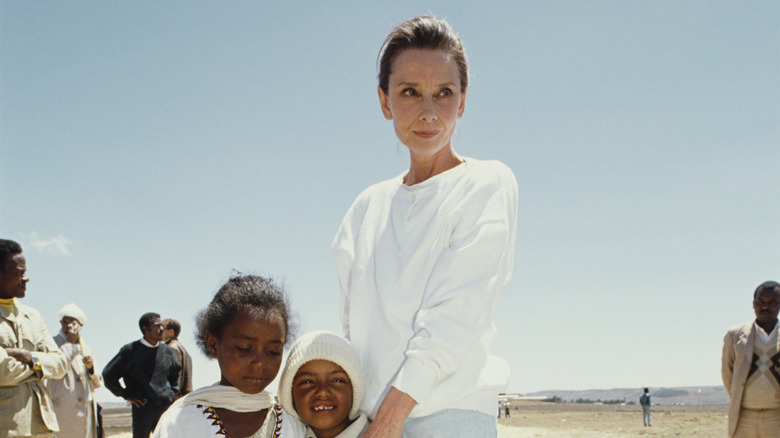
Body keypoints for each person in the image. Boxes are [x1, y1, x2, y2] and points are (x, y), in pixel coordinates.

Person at [331, 16, 518, 437]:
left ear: (463, 101)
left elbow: (456, 317)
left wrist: (391, 417)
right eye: (410, 92)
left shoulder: (485, 183)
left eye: (444, 93)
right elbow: (353, 328)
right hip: (371, 422)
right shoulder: (365, 208)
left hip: (450, 417)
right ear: (385, 101)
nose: (429, 112)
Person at [152, 275, 306, 438]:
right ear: (213, 344)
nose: (260, 363)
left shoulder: (293, 426)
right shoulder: (181, 423)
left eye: (274, 351)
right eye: (244, 348)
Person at [0, 238, 68, 437]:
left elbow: (60, 363)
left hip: (41, 426)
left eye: (25, 272)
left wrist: (29, 357)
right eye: (18, 272)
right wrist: (41, 368)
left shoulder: (33, 316)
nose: (25, 278)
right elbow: (2, 371)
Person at [103, 312, 181, 438]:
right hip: (143, 409)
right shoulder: (130, 351)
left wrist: (171, 393)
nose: (161, 329)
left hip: (164, 407)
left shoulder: (166, 351)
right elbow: (108, 374)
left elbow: (174, 374)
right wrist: (125, 394)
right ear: (145, 329)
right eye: (157, 326)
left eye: (162, 325)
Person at [278, 330, 369, 438]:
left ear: (354, 390)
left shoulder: (384, 432)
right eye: (307, 382)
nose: (322, 392)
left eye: (337, 380)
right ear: (290, 396)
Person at [722, 280, 780, 437]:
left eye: (772, 302)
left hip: (776, 417)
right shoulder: (735, 335)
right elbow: (728, 373)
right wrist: (739, 395)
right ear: (754, 304)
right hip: (744, 416)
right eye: (760, 302)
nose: (765, 307)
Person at [46, 303, 103, 438]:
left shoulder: (86, 348)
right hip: (64, 409)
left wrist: (91, 369)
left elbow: (98, 382)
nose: (68, 326)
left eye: (72, 322)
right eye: (65, 322)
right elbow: (54, 367)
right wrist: (70, 344)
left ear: (80, 325)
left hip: (85, 411)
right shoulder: (51, 344)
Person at [162, 318, 193, 399]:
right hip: (182, 400)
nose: (159, 331)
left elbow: (175, 378)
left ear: (171, 332)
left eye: (162, 328)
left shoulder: (171, 348)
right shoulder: (181, 348)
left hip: (174, 401)